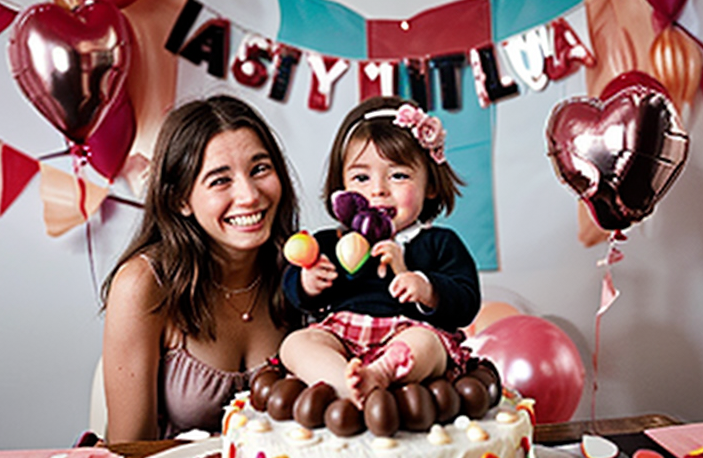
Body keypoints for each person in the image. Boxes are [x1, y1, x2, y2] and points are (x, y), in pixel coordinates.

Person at [100, 95, 301, 442]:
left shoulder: (302, 274)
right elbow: (130, 448)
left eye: (260, 169)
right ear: (180, 199)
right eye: (220, 180)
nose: (250, 195)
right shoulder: (144, 285)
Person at [279, 96, 481, 409]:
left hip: (409, 333)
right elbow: (294, 290)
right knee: (295, 344)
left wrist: (426, 288)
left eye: (398, 175)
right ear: (342, 187)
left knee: (425, 345)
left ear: (429, 184)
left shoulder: (438, 242)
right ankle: (345, 385)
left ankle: (382, 374)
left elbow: (466, 302)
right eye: (362, 177)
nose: (378, 190)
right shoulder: (332, 241)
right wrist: (308, 281)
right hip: (342, 338)